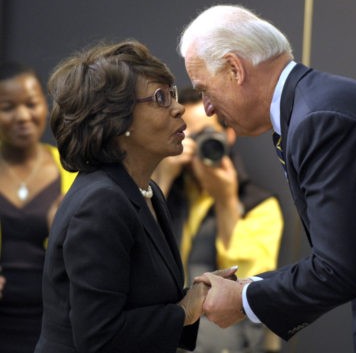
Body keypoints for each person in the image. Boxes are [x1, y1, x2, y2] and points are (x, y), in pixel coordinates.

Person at [178, 5, 356, 353]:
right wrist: (249, 288)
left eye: (205, 89)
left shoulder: (320, 120)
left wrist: (244, 298)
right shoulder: (313, 108)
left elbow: (340, 270)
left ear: (235, 69)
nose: (209, 107)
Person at [33, 40, 222, 353]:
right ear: (117, 120)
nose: (178, 108)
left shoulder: (145, 190)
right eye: (161, 98)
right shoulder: (101, 203)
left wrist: (200, 294)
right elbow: (99, 338)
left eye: (172, 93)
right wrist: (183, 312)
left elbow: (138, 301)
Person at [152, 87, 284, 353]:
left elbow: (247, 281)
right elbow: (137, 251)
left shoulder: (259, 204)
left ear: (228, 135)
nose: (199, 144)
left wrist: (226, 201)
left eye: (207, 135)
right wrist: (161, 179)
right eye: (188, 134)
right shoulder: (166, 193)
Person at [0, 61, 76, 353]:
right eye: (8, 107)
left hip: (54, 327)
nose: (22, 116)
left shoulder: (72, 172)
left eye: (31, 104)